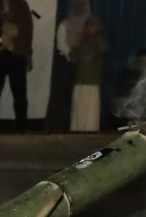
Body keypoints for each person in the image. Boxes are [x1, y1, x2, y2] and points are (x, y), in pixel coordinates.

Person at [0, 0, 33, 130]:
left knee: (20, 94)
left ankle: (22, 127)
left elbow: (28, 30)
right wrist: (0, 28)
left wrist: (28, 54)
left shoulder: (21, 5)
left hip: (17, 54)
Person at [47, 0, 92, 132]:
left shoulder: (90, 27)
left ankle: (75, 125)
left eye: (82, 5)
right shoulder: (65, 25)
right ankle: (57, 126)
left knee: (77, 96)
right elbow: (62, 45)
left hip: (82, 66)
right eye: (76, 5)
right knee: (61, 96)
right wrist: (73, 54)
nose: (79, 8)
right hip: (65, 65)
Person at [69, 16, 109, 132]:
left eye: (92, 26)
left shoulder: (100, 41)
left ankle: (90, 129)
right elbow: (73, 57)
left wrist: (98, 39)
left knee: (90, 108)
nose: (89, 29)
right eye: (87, 26)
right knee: (79, 107)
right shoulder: (82, 42)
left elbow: (105, 49)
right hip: (80, 80)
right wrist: (77, 45)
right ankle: (77, 129)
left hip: (92, 81)